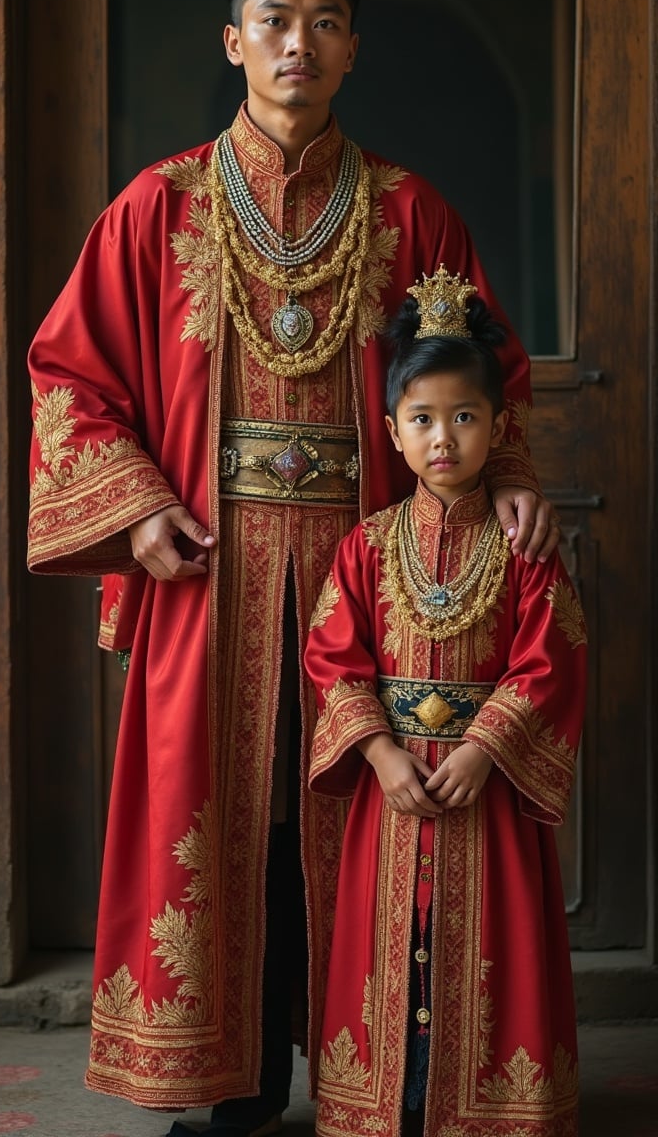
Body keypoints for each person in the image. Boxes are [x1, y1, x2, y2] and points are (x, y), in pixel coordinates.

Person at [26, 0, 559, 1137]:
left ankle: (385, 1083)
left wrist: (511, 468)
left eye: (323, 22)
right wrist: (138, 507)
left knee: (368, 804)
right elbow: (70, 376)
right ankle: (228, 1081)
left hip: (378, 570)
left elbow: (486, 369)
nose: (297, 43)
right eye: (274, 19)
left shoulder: (409, 211)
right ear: (234, 40)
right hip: (210, 571)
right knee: (233, 818)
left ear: (353, 47)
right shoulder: (154, 209)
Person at [304, 274, 586, 1137]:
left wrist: (482, 748)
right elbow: (331, 656)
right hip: (396, 792)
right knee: (398, 940)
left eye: (464, 417)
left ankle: (492, 1102)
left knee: (490, 939)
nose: (442, 438)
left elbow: (551, 659)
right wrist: (385, 756)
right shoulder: (366, 545)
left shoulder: (524, 549)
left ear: (499, 428)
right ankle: (398, 1096)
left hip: (484, 786)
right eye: (422, 419)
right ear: (391, 432)